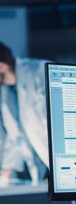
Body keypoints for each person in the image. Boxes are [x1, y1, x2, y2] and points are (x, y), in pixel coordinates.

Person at [0, 42, 49, 185]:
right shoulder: (6, 90)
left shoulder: (40, 72)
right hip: (39, 164)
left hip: (61, 165)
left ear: (1, 66)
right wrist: (6, 171)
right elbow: (15, 135)